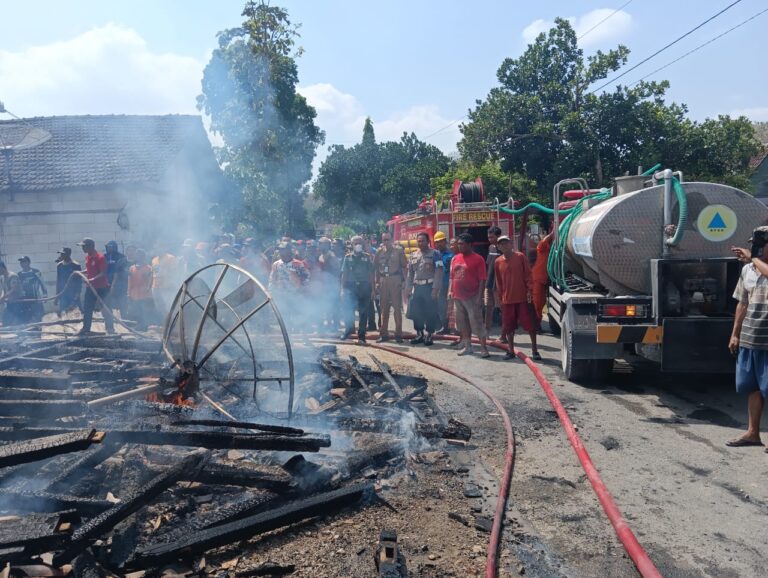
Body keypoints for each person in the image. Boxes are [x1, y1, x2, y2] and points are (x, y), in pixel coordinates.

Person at [726, 230, 768, 447]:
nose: (757, 249)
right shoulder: (747, 271)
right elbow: (742, 303)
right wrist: (735, 334)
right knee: (751, 386)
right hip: (751, 337)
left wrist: (753, 257)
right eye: (755, 245)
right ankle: (753, 433)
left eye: (760, 245)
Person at [495, 235, 541, 361]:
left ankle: (535, 350)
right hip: (507, 300)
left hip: (523, 298)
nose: (503, 246)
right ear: (498, 247)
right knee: (509, 327)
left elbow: (528, 275)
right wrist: (500, 298)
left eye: (505, 243)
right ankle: (510, 351)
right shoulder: (498, 261)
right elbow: (499, 282)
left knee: (530, 326)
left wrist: (530, 291)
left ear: (511, 244)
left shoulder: (520, 257)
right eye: (501, 244)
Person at [449, 233, 490, 358]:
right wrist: (450, 291)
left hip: (472, 297)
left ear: (470, 245)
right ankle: (468, 347)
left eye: (462, 244)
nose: (459, 246)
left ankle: (484, 349)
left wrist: (480, 297)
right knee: (462, 324)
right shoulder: (455, 258)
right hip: (458, 297)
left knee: (477, 323)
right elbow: (452, 276)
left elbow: (482, 279)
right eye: (458, 244)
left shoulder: (478, 259)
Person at [406, 232, 443, 346]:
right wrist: (408, 287)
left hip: (429, 287)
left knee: (430, 312)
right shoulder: (413, 255)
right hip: (417, 287)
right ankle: (420, 334)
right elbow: (410, 273)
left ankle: (430, 335)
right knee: (416, 312)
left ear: (428, 242)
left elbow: (439, 271)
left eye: (422, 241)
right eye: (419, 241)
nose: (420, 243)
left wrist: (435, 288)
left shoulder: (435, 254)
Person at [374, 232, 407, 343]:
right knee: (384, 309)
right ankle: (384, 334)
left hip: (395, 279)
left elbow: (404, 266)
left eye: (388, 239)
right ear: (382, 240)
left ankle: (398, 335)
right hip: (383, 280)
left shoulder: (398, 251)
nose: (386, 242)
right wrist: (377, 282)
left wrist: (404, 282)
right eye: (384, 240)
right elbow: (376, 269)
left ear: (392, 239)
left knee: (397, 309)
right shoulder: (378, 252)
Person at [341, 235, 374, 344]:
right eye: (355, 243)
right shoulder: (347, 257)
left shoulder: (367, 257)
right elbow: (344, 274)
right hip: (351, 287)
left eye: (359, 242)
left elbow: (371, 274)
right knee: (348, 310)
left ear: (363, 244)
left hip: (364, 287)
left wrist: (373, 289)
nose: (358, 245)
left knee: (363, 313)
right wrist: (342, 289)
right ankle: (348, 331)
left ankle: (361, 336)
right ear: (351, 245)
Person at [268, 241, 310, 329]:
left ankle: (305, 337)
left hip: (296, 295)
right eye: (280, 250)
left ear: (289, 251)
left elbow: (306, 277)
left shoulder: (298, 264)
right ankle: (289, 339)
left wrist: (302, 290)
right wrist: (271, 292)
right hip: (281, 295)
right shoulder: (276, 264)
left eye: (283, 250)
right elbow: (272, 279)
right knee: (284, 318)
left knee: (299, 317)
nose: (281, 252)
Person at [78, 237, 115, 335]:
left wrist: (92, 279)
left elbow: (103, 272)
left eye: (84, 246)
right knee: (87, 308)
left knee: (106, 308)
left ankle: (110, 328)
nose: (83, 248)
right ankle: (86, 328)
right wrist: (80, 272)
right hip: (90, 288)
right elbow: (90, 270)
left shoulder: (100, 257)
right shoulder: (87, 257)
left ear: (91, 246)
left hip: (102, 288)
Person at [127, 248, 156, 330]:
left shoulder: (149, 268)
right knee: (137, 311)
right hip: (135, 294)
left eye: (140, 255)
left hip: (145, 294)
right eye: (137, 254)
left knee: (145, 311)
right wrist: (128, 293)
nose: (138, 256)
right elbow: (129, 282)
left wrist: (148, 289)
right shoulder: (132, 268)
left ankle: (144, 326)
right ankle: (140, 325)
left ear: (143, 257)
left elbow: (151, 281)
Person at [317, 237, 341, 332]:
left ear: (327, 245)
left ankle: (335, 326)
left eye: (321, 244)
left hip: (332, 285)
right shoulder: (321, 256)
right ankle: (328, 324)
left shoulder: (332, 256)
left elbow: (337, 271)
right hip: (324, 285)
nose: (319, 246)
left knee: (333, 306)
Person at [531, 230, 553, 330]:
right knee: (538, 303)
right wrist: (553, 233)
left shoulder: (549, 249)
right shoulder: (542, 248)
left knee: (542, 301)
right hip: (538, 279)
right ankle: (535, 325)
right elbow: (543, 242)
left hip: (543, 279)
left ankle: (536, 323)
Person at [16, 256, 47, 325]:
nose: (22, 263)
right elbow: (18, 287)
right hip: (25, 300)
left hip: (36, 298)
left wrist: (45, 295)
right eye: (21, 262)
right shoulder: (19, 274)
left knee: (38, 316)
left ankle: (39, 331)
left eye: (24, 261)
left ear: (29, 262)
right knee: (26, 317)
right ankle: (28, 332)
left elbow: (42, 283)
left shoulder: (36, 272)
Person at [434, 231, 453, 335]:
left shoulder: (450, 254)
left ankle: (449, 327)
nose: (438, 244)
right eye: (437, 242)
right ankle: (443, 326)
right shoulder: (435, 254)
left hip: (448, 285)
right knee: (441, 307)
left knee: (448, 307)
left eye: (440, 241)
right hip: (438, 285)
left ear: (445, 241)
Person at [485, 226, 502, 338]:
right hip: (489, 283)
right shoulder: (491, 248)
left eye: (492, 237)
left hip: (499, 284)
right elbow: (488, 264)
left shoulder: (504, 249)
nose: (489, 239)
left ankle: (504, 335)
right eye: (489, 237)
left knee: (501, 308)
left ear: (498, 236)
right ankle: (486, 332)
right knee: (488, 307)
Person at [54, 247, 82, 316]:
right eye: (61, 254)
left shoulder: (76, 265)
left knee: (76, 314)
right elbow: (58, 281)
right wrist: (57, 296)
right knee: (63, 314)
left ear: (68, 254)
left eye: (63, 254)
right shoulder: (59, 266)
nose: (61, 256)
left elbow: (79, 283)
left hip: (73, 294)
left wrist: (76, 296)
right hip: (63, 294)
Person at [104, 240, 128, 318]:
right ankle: (109, 318)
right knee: (108, 301)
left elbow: (123, 270)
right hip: (107, 282)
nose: (109, 248)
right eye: (108, 247)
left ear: (114, 247)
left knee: (121, 301)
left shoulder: (121, 257)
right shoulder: (104, 256)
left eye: (110, 247)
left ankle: (124, 317)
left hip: (119, 283)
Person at [0, 261, 23, 326]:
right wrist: (2, 297)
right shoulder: (2, 278)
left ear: (2, 268)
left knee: (17, 322)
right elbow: (3, 290)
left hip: (17, 302)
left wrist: (3, 297)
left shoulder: (12, 276)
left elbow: (14, 289)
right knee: (6, 321)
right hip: (9, 303)